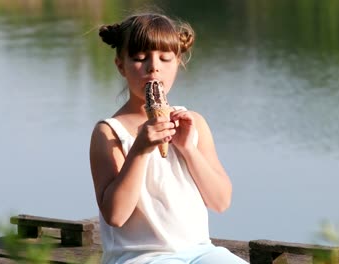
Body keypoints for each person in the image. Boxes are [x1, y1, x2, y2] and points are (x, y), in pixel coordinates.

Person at [89, 11, 248, 264]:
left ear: (178, 63)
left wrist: (188, 149)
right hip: (140, 256)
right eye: (140, 58)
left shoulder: (193, 123)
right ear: (121, 65)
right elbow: (116, 215)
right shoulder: (109, 132)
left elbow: (221, 201)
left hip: (200, 251)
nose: (154, 67)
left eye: (165, 58)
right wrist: (140, 150)